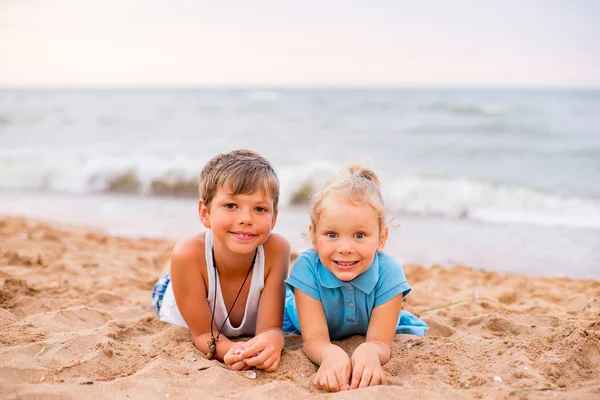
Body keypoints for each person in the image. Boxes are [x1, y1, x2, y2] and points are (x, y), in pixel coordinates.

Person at [282, 164, 428, 391]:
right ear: (314, 236)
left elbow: (380, 342)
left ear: (381, 238)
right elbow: (315, 339)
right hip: (303, 318)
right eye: (332, 234)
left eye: (359, 235)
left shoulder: (389, 272)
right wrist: (330, 355)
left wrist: (369, 351)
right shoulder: (307, 267)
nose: (345, 247)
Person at [152, 149, 290, 372]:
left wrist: (273, 341)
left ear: (274, 218)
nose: (246, 219)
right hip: (172, 296)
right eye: (231, 206)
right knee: (169, 279)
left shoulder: (277, 249)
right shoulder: (186, 255)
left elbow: (271, 328)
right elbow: (204, 334)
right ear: (205, 213)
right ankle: (170, 274)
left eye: (260, 209)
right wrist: (232, 351)